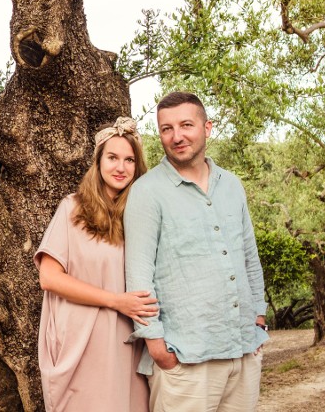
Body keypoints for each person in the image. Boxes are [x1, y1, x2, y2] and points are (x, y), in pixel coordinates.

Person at [124, 92, 269, 412]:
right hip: (185, 360)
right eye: (166, 129)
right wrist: (157, 346)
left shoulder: (232, 185)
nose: (177, 136)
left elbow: (248, 256)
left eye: (186, 125)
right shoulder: (147, 192)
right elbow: (138, 274)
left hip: (243, 349)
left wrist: (259, 315)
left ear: (207, 127)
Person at [35, 117, 158, 412]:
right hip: (79, 340)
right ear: (98, 161)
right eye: (112, 157)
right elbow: (49, 278)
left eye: (129, 160)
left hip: (124, 343)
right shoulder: (73, 208)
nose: (121, 167)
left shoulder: (140, 216)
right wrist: (116, 301)